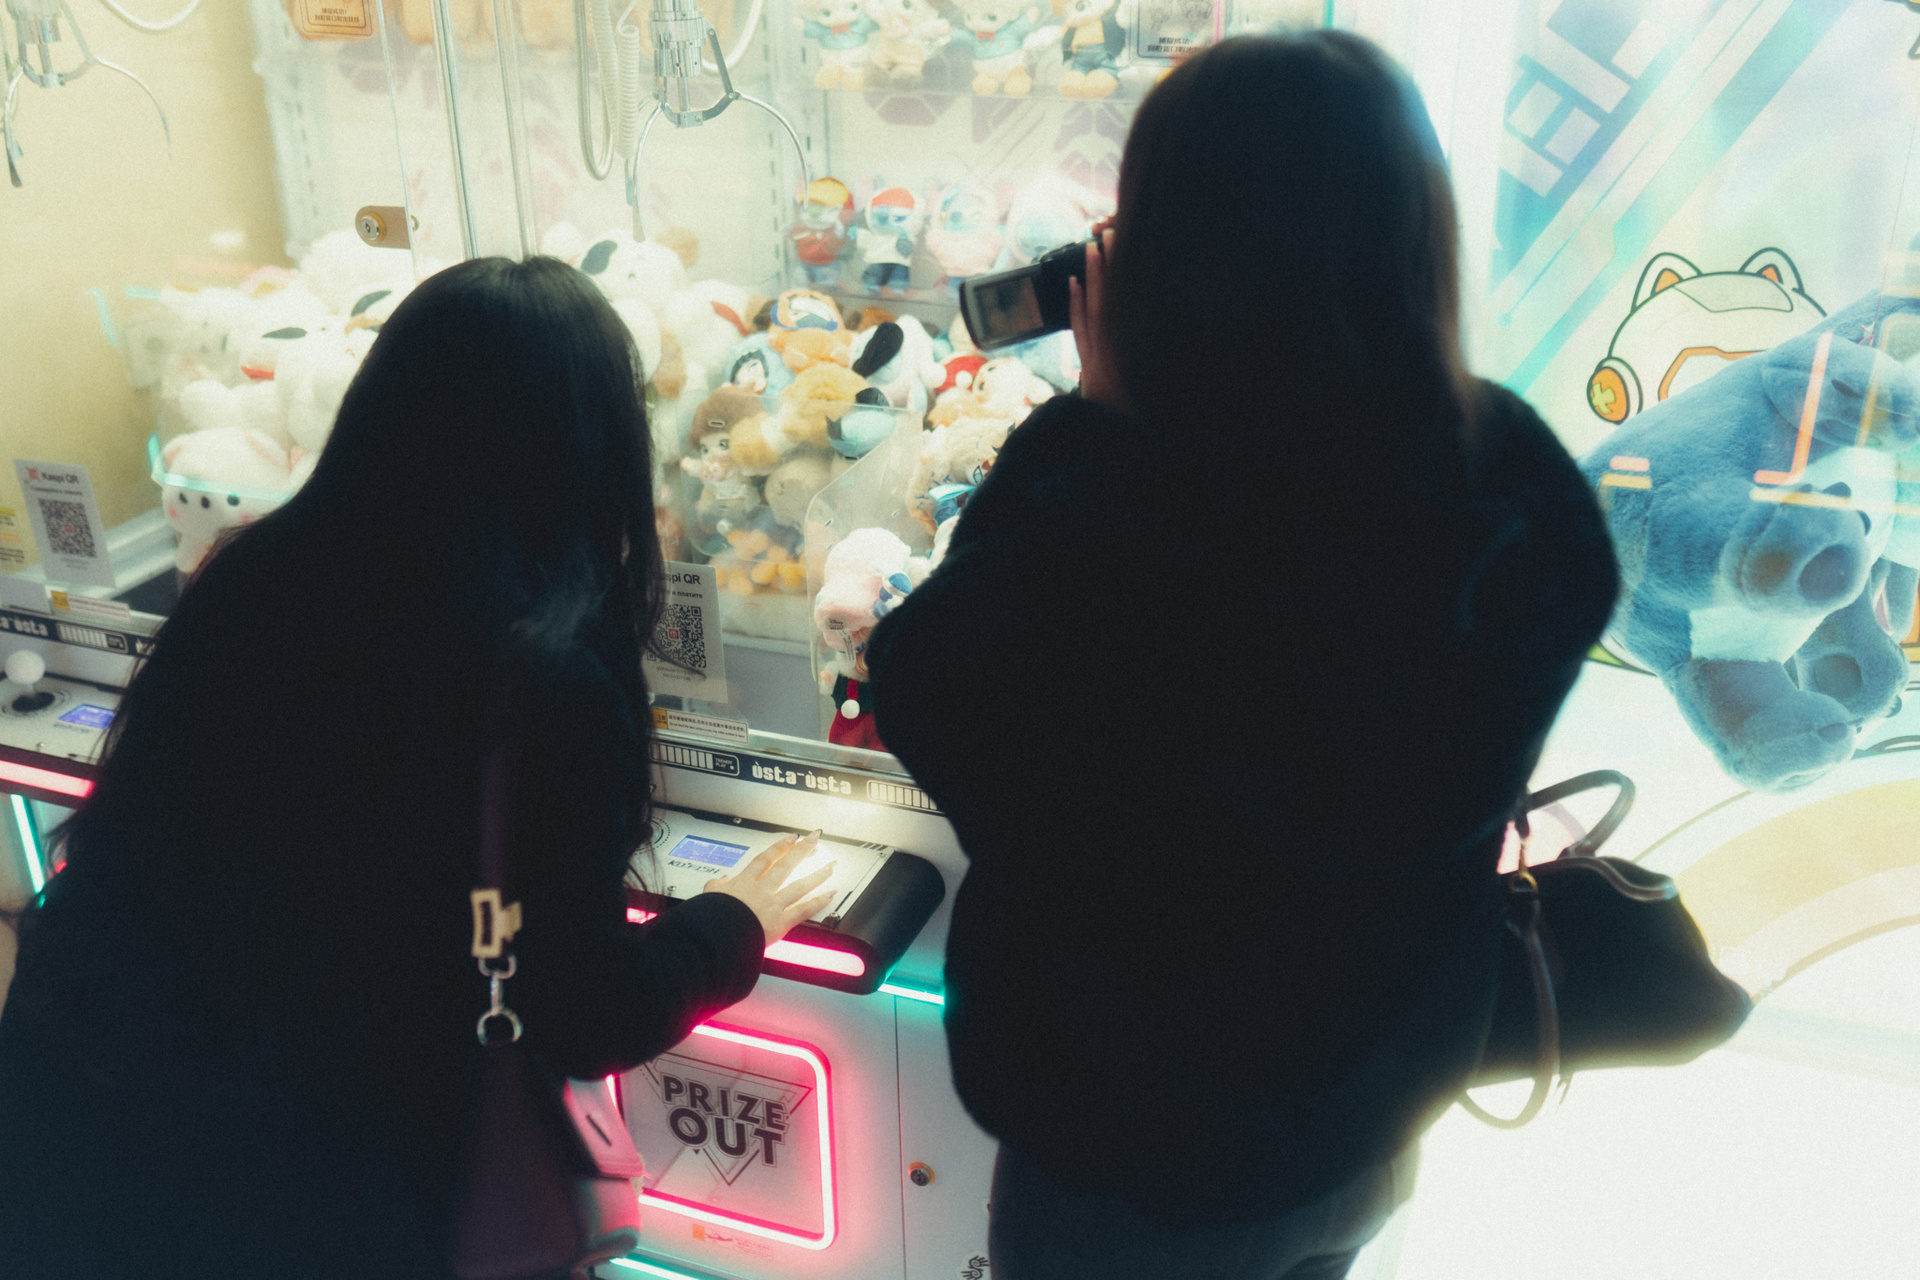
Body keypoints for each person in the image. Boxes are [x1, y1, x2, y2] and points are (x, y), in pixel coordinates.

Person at [866, 30, 1619, 1280]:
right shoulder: (1501, 480)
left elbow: (933, 688)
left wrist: (1093, 418)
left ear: (1173, 251)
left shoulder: (1141, 499)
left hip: (1135, 1153)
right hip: (1364, 1116)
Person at [0, 257, 834, 1279]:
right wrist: (736, 922)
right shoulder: (543, 674)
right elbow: (576, 1004)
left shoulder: (253, 578)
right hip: (314, 1196)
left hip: (85, 1129)